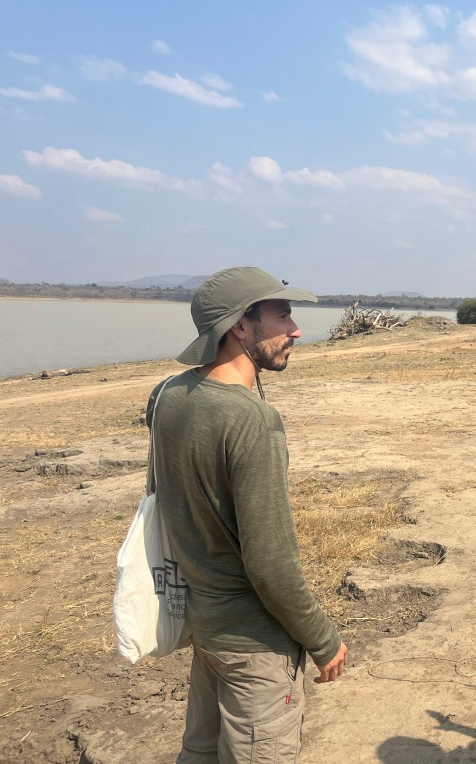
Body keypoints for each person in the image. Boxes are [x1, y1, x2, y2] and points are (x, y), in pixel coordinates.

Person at [146, 266, 348, 764]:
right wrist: (323, 639)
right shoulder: (251, 420)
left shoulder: (168, 396)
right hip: (253, 644)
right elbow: (270, 563)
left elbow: (163, 500)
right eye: (282, 316)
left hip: (206, 628)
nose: (295, 330)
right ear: (241, 325)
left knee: (199, 753)